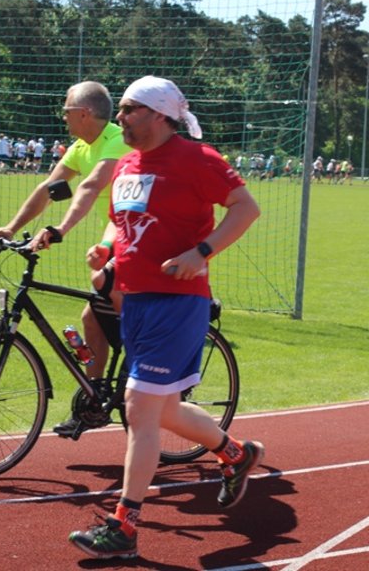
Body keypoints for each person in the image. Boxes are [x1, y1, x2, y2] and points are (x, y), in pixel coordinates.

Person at [67, 76, 263, 561]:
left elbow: (246, 208)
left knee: (138, 409)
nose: (120, 118)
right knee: (165, 410)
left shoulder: (199, 160)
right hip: (133, 301)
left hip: (178, 303)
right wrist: (107, 251)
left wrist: (202, 251)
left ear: (159, 114)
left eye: (129, 109)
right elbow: (121, 219)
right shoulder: (129, 163)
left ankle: (125, 527)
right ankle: (236, 454)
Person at [0, 81, 132, 437]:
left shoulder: (117, 140)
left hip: (135, 236)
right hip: (114, 237)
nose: (63, 117)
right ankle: (93, 403)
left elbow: (93, 185)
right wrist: (11, 226)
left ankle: (143, 367)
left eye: (66, 111)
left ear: (83, 113)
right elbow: (49, 189)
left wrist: (59, 230)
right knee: (92, 318)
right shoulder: (82, 147)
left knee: (118, 308)